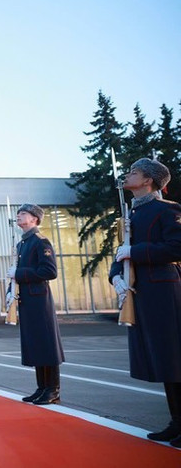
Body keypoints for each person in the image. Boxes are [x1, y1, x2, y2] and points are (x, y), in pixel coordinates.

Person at [109, 158, 181, 447]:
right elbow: (120, 254)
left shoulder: (168, 209)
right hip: (142, 292)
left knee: (175, 358)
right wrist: (116, 277)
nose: (128, 175)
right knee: (165, 360)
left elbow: (176, 247)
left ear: (149, 180)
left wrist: (134, 252)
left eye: (134, 172)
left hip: (164, 291)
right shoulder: (131, 214)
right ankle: (176, 421)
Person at [7, 204, 65, 404]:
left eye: (23, 213)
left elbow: (49, 271)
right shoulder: (22, 244)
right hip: (27, 299)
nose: (18, 216)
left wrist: (19, 274)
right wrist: (11, 290)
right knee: (36, 344)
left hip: (39, 299)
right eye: (19, 214)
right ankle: (42, 387)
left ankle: (52, 389)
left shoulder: (41, 241)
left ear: (35, 219)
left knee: (46, 343)